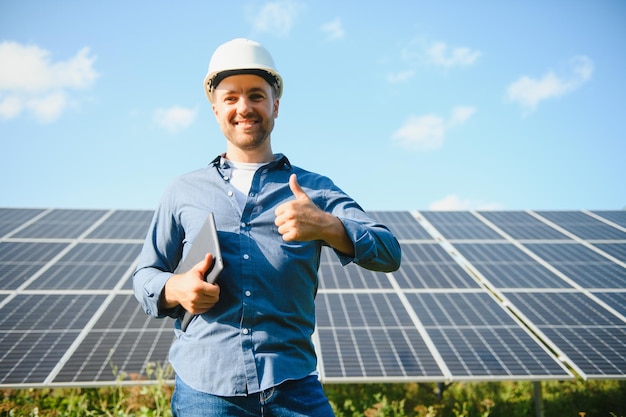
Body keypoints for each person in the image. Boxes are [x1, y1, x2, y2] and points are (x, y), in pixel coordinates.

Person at [133, 38, 401, 417]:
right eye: (231, 98)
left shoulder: (315, 189)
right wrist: (175, 287)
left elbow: (389, 251)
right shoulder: (182, 191)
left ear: (275, 105)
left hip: (295, 389)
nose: (244, 107)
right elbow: (144, 275)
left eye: (256, 95)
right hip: (205, 393)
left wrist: (327, 226)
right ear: (215, 110)